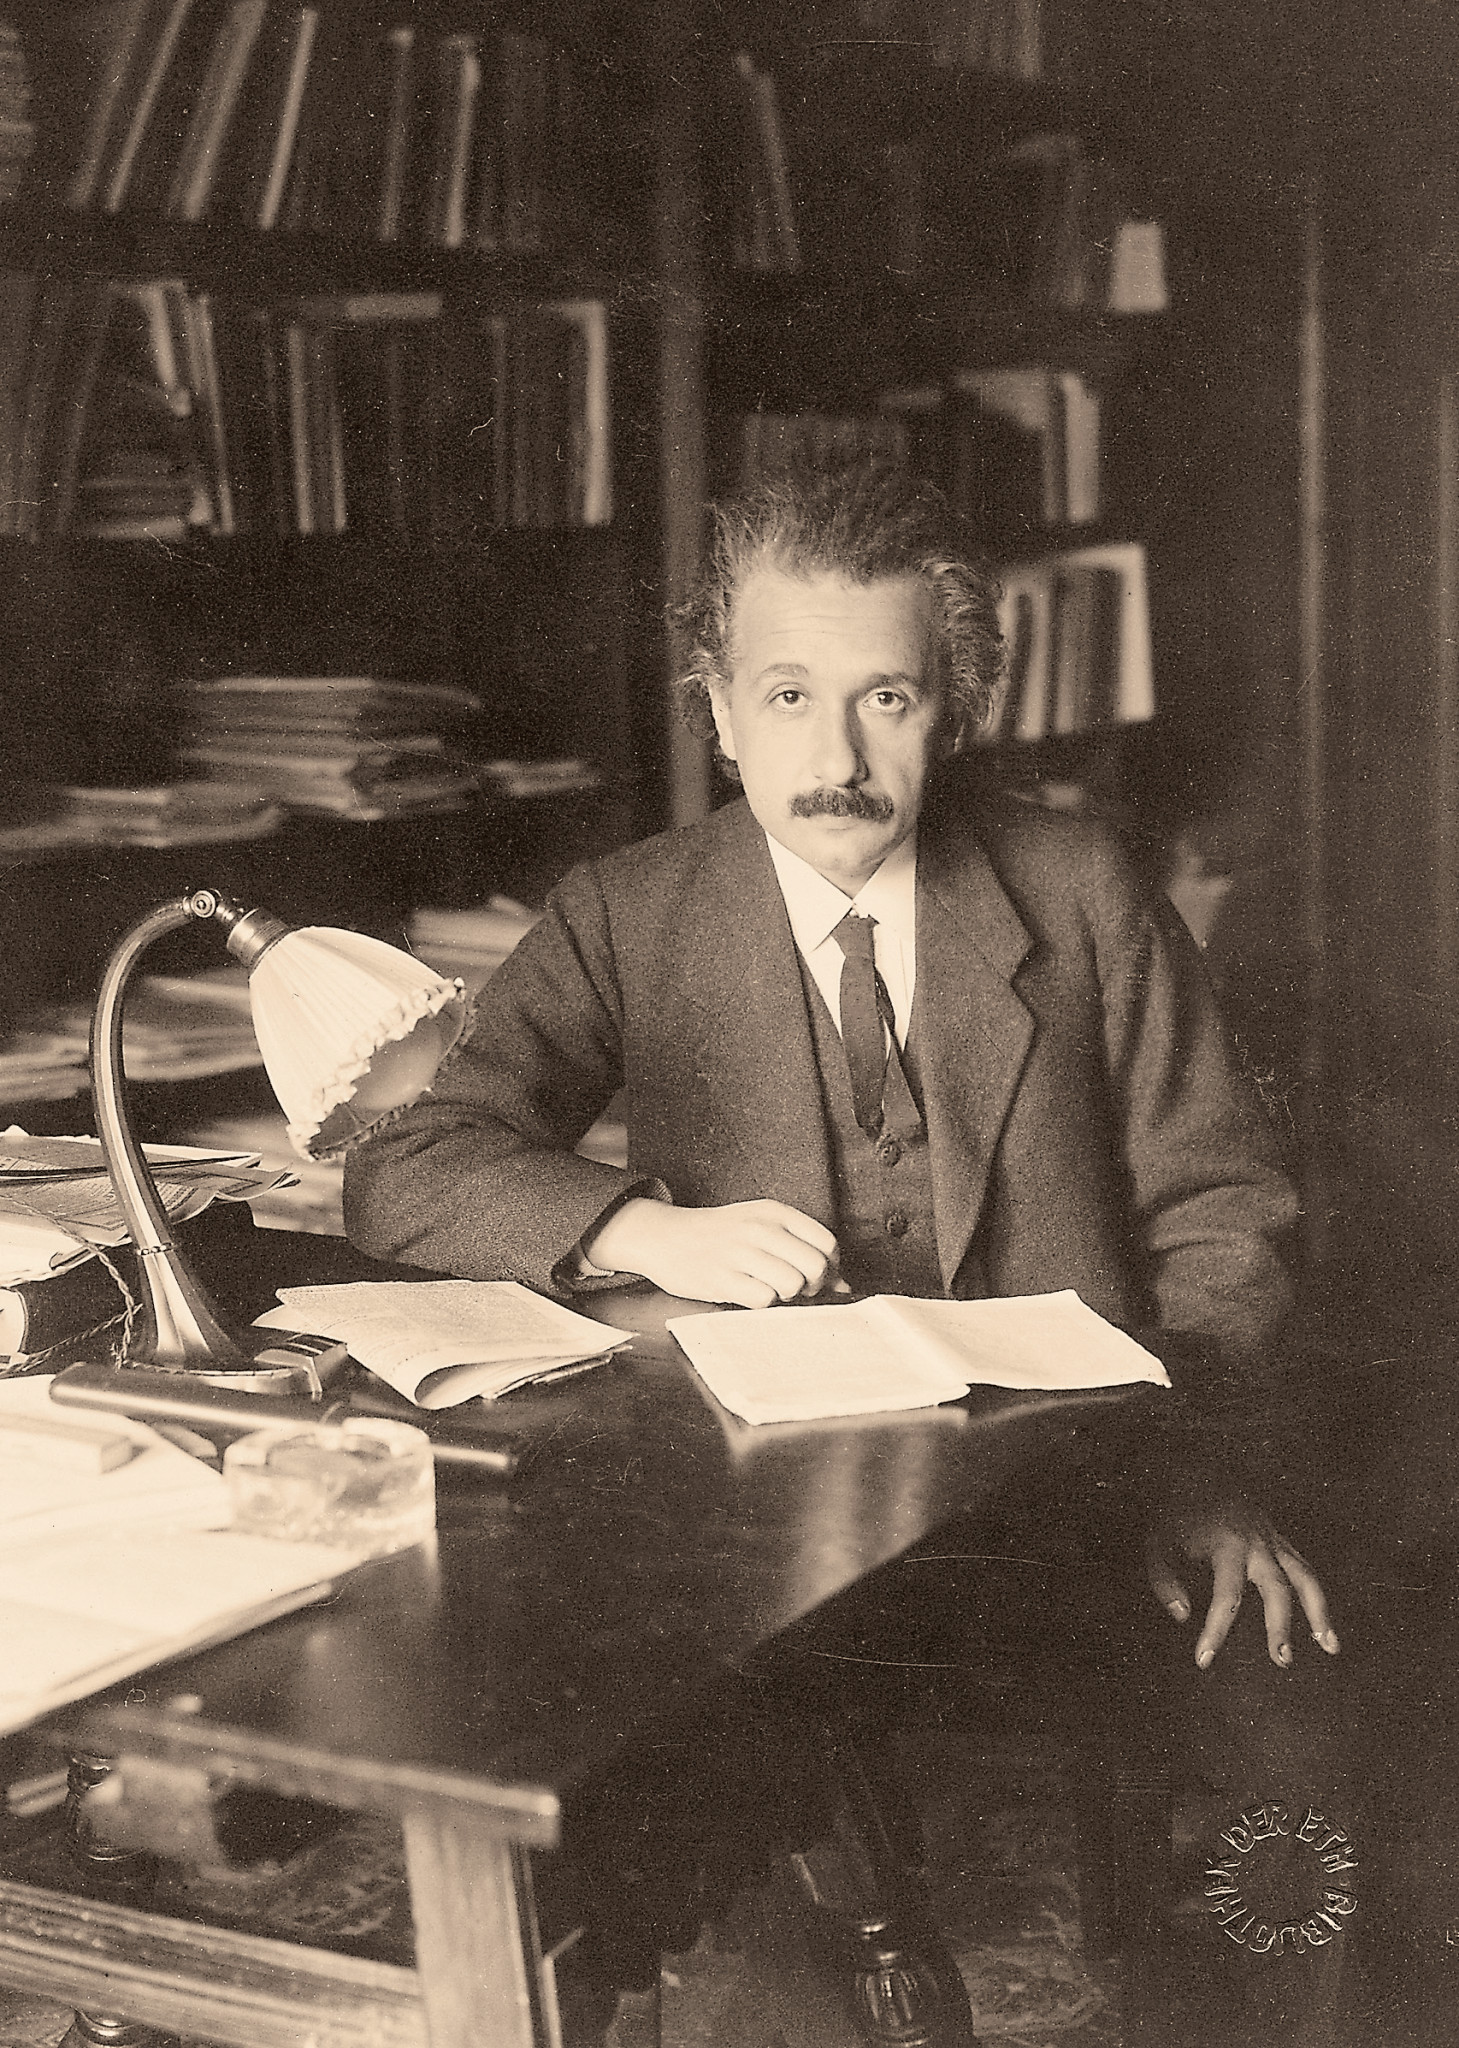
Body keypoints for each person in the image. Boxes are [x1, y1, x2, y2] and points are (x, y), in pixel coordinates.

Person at [345, 459, 1336, 1679]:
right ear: (718, 713)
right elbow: (405, 1166)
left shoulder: (1083, 889)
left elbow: (1222, 1211)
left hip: (1070, 1503)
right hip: (756, 1520)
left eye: (886, 697)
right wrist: (639, 1229)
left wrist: (1194, 1474)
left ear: (953, 711)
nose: (838, 756)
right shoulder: (626, 912)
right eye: (787, 694)